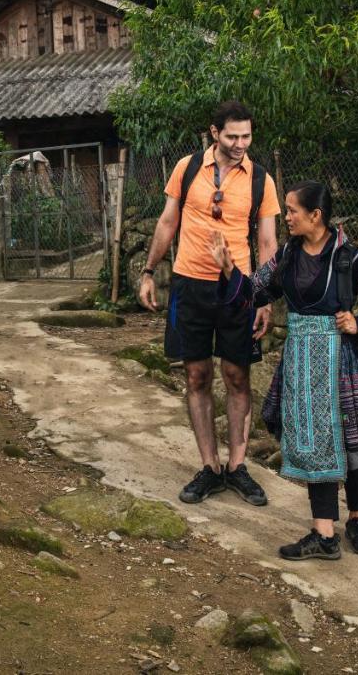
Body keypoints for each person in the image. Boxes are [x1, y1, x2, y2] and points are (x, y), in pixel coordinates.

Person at [210, 180, 358, 559]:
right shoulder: (287, 255)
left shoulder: (351, 257)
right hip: (301, 362)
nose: (286, 218)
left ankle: (357, 520)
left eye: (292, 211)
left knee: (354, 446)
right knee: (316, 444)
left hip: (341, 363)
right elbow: (253, 291)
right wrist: (227, 269)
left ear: (315, 215)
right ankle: (324, 534)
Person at [138, 101, 279, 506]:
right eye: (233, 136)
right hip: (189, 287)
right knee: (196, 376)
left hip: (238, 291)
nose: (240, 144)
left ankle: (237, 466)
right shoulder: (186, 168)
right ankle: (209, 467)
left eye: (247, 136)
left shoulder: (261, 180)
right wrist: (149, 272)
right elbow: (168, 222)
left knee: (237, 377)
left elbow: (268, 242)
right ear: (214, 133)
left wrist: (264, 297)